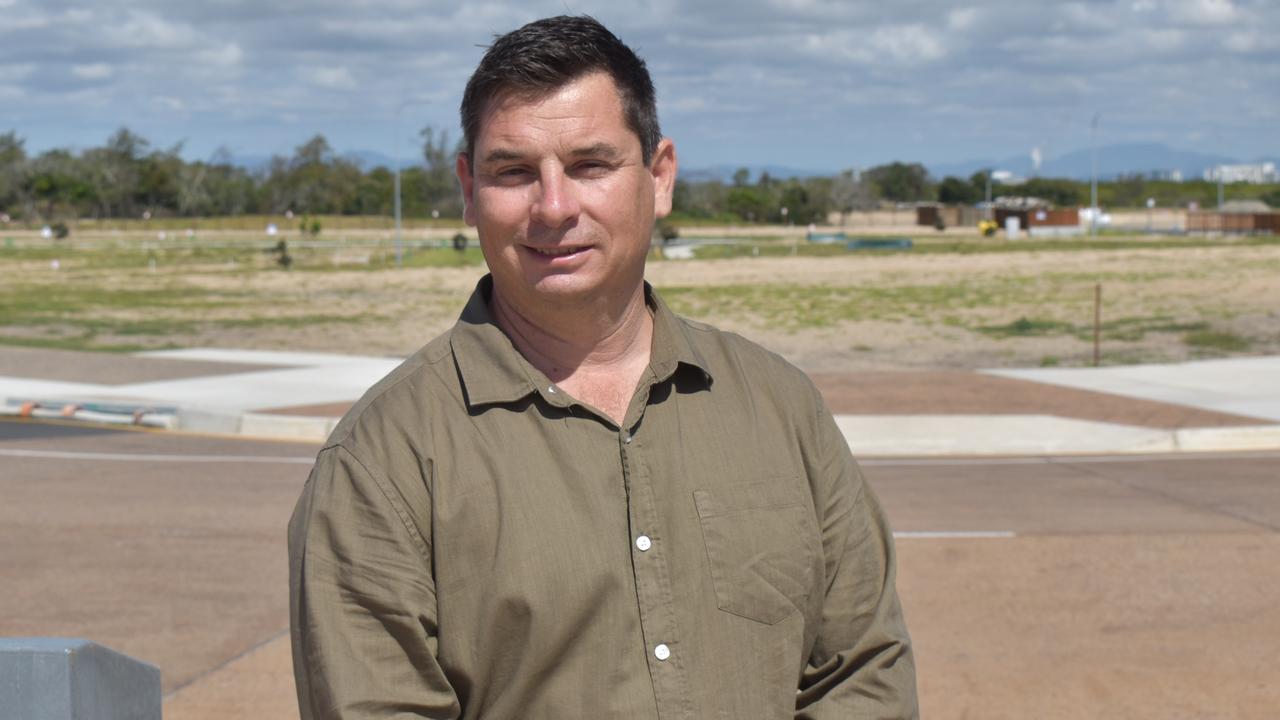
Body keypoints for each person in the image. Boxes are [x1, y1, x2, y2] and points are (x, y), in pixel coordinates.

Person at [289, 15, 916, 719]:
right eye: (513, 172)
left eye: (590, 165)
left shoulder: (781, 408)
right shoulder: (383, 459)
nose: (554, 207)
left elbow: (863, 673)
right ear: (468, 190)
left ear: (659, 176)